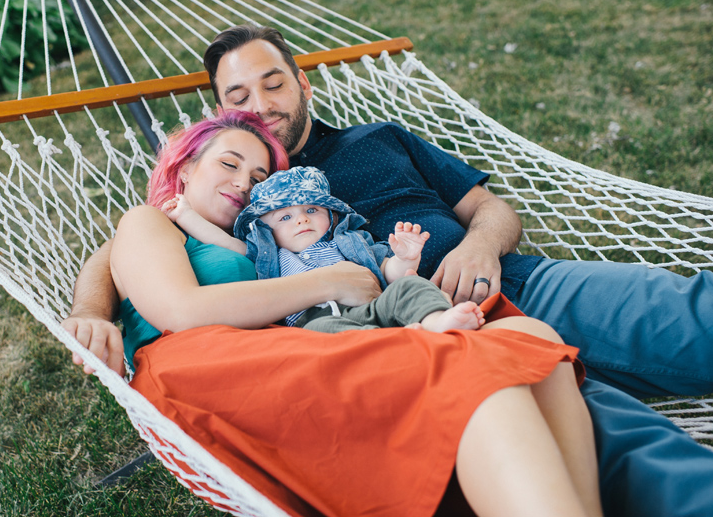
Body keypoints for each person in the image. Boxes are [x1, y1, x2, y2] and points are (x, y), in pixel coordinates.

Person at [66, 24, 713, 517]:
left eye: (273, 82)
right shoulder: (242, 208)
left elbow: (489, 208)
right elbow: (135, 246)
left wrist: (480, 247)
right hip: (387, 324)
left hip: (500, 283)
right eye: (238, 97)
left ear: (302, 84)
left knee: (679, 313)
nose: (260, 103)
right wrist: (93, 310)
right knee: (605, 428)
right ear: (220, 116)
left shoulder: (379, 137)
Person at [69, 109, 604, 517]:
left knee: (527, 333)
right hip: (203, 364)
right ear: (183, 169)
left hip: (287, 350)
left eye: (258, 178)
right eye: (228, 164)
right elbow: (180, 309)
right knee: (461, 363)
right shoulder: (149, 221)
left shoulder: (259, 244)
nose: (242, 181)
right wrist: (329, 281)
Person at [163, 165, 484, 333]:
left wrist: (404, 258)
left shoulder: (351, 242)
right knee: (325, 331)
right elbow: (225, 242)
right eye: (285, 216)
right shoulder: (268, 257)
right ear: (267, 230)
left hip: (375, 307)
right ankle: (397, 342)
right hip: (316, 322)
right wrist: (186, 215)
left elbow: (390, 274)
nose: (301, 219)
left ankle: (435, 322)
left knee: (413, 287)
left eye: (312, 211)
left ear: (331, 217)